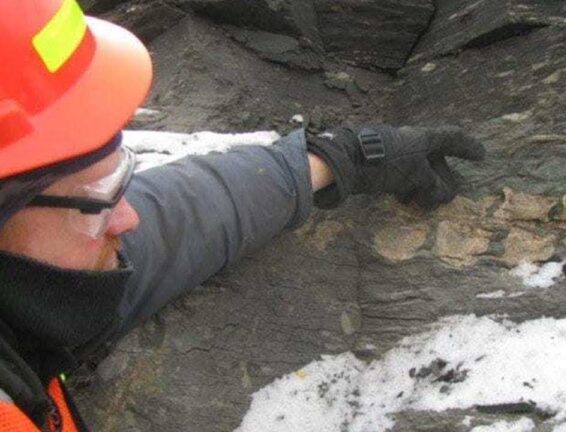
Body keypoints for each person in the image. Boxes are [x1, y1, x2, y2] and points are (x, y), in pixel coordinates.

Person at [0, 0, 485, 430]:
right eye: (96, 199)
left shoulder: (34, 276)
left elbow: (176, 218)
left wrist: (338, 160)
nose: (129, 219)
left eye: (121, 179)